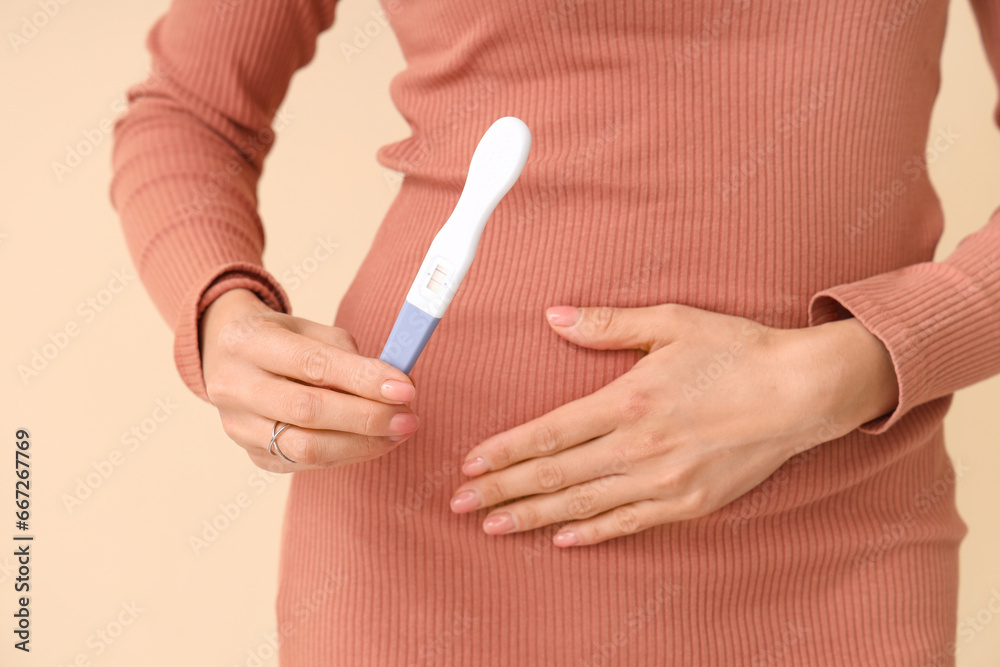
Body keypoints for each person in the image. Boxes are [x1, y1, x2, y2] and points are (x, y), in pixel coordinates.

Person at [110, 0, 1000, 664]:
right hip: (433, 534)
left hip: (836, 549)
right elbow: (187, 112)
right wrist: (222, 314)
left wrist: (856, 364)